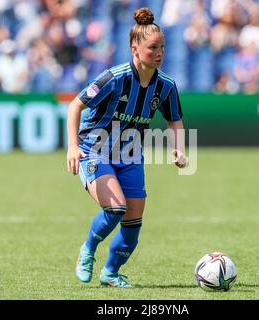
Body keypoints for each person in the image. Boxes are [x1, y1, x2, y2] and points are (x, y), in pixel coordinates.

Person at [66, 7, 186, 288]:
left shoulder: (166, 86)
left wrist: (179, 149)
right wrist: (73, 147)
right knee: (117, 207)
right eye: (153, 47)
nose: (159, 53)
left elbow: (175, 120)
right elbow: (75, 106)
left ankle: (110, 273)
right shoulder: (114, 77)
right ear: (135, 48)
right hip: (94, 151)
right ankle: (87, 250)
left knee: (133, 225)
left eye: (163, 47)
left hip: (130, 156)